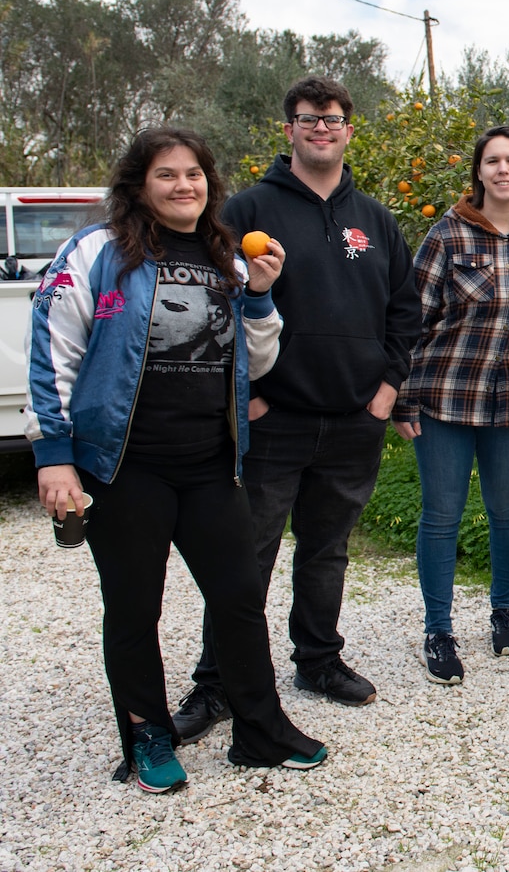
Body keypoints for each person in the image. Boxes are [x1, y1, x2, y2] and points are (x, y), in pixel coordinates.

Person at [27, 127, 325, 792]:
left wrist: (260, 295)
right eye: (167, 174)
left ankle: (260, 729)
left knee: (239, 598)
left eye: (194, 174)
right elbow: (52, 350)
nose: (183, 185)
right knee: (135, 607)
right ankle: (147, 737)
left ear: (209, 184)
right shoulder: (98, 252)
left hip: (211, 463)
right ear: (139, 185)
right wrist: (53, 454)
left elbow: (259, 358)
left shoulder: (228, 257)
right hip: (124, 465)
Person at [173, 77, 421, 738]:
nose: (321, 128)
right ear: (288, 130)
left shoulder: (375, 219)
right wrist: (243, 395)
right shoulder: (248, 209)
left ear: (347, 131)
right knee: (245, 556)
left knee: (327, 550)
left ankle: (318, 659)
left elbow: (405, 310)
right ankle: (217, 681)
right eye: (308, 118)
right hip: (271, 420)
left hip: (353, 420)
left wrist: (386, 393)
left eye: (332, 119)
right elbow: (207, 308)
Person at [391, 126, 509, 681]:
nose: (503, 170)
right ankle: (439, 630)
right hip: (446, 395)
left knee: (508, 509)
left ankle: (503, 610)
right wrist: (402, 401)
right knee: (442, 514)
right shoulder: (447, 235)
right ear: (479, 172)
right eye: (492, 161)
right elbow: (411, 321)